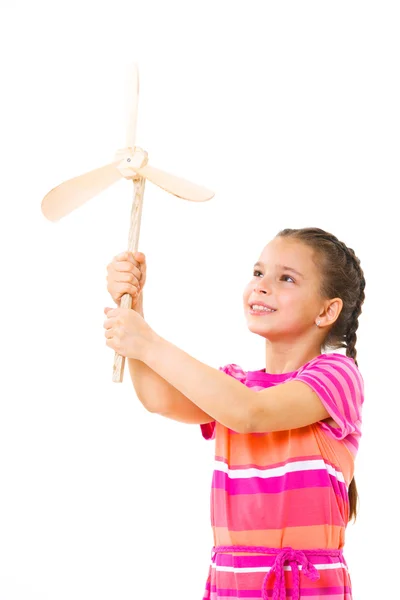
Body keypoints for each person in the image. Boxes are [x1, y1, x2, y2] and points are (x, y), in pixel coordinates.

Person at [104, 227, 365, 600]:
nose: (261, 286)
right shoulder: (234, 385)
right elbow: (157, 399)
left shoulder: (337, 376)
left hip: (308, 590)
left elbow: (251, 414)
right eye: (258, 273)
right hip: (232, 587)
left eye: (286, 278)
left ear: (327, 310)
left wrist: (146, 341)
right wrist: (136, 308)